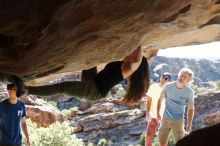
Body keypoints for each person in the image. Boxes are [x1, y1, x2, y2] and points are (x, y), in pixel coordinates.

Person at [15, 46, 150, 104]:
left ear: (139, 67)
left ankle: (26, 90)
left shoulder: (129, 68)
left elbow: (137, 59)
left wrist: (141, 41)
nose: (131, 53)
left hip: (93, 91)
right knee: (89, 58)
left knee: (61, 87)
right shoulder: (125, 64)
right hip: (93, 80)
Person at [157, 68, 195, 146]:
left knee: (181, 143)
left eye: (185, 77)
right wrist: (158, 114)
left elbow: (191, 109)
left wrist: (189, 124)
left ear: (188, 81)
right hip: (165, 119)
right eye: (181, 75)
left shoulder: (189, 92)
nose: (182, 78)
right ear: (178, 75)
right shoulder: (167, 86)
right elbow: (160, 100)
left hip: (179, 121)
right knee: (162, 142)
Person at [145, 72, 172, 146]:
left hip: (165, 117)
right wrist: (147, 113)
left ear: (169, 81)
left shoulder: (170, 90)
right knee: (149, 135)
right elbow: (149, 100)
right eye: (162, 77)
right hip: (153, 115)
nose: (163, 79)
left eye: (166, 78)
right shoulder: (153, 86)